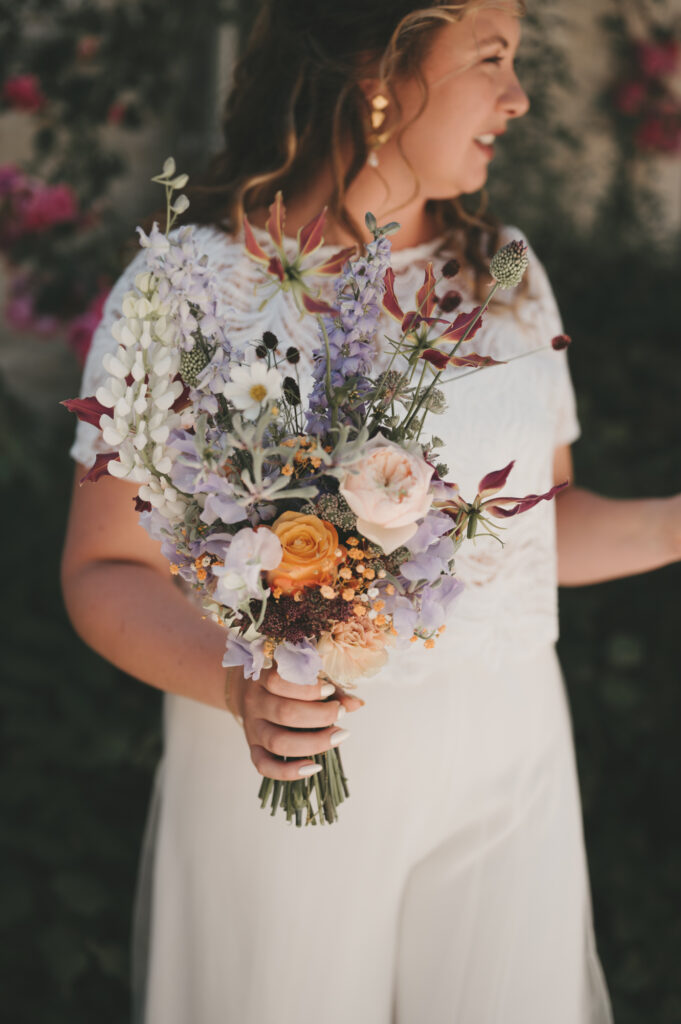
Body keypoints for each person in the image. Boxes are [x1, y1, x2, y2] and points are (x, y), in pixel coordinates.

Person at [61, 1, 681, 1022]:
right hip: (290, 776)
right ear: (378, 66)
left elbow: (535, 530)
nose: (519, 97)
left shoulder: (507, 277)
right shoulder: (189, 290)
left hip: (507, 770)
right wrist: (239, 685)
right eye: (492, 58)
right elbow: (104, 565)